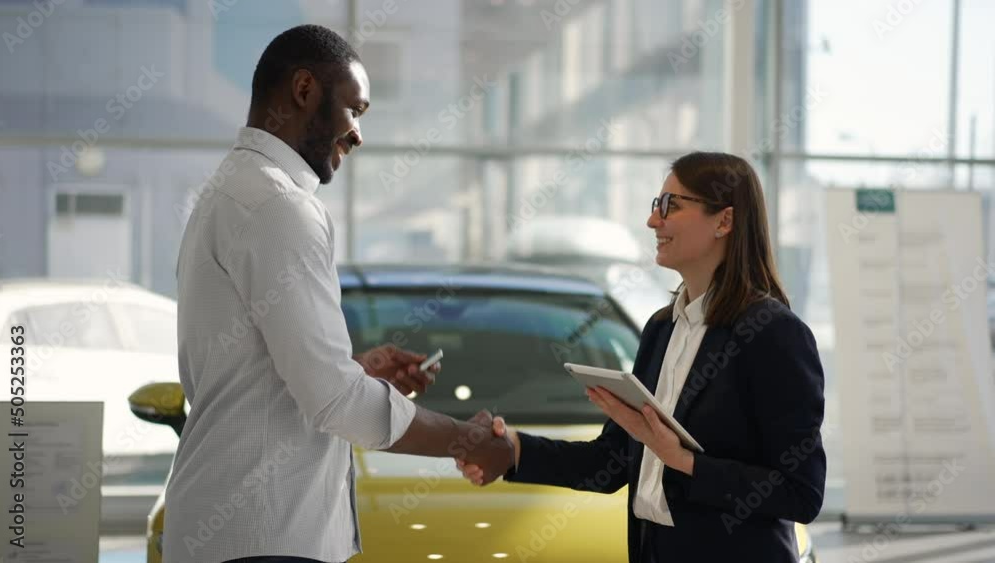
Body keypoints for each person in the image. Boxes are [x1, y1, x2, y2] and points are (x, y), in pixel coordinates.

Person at [165, 25, 513, 563]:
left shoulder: (232, 189)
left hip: (236, 532)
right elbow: (334, 401)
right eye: (355, 110)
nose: (357, 135)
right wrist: (463, 438)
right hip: (263, 536)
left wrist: (355, 371)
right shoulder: (278, 207)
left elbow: (258, 374)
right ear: (304, 91)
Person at [459, 152, 827, 562]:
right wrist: (514, 449)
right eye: (657, 205)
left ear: (724, 221)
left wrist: (683, 461)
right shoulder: (662, 327)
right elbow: (614, 459)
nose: (654, 221)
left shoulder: (774, 335)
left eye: (672, 206)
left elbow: (801, 493)